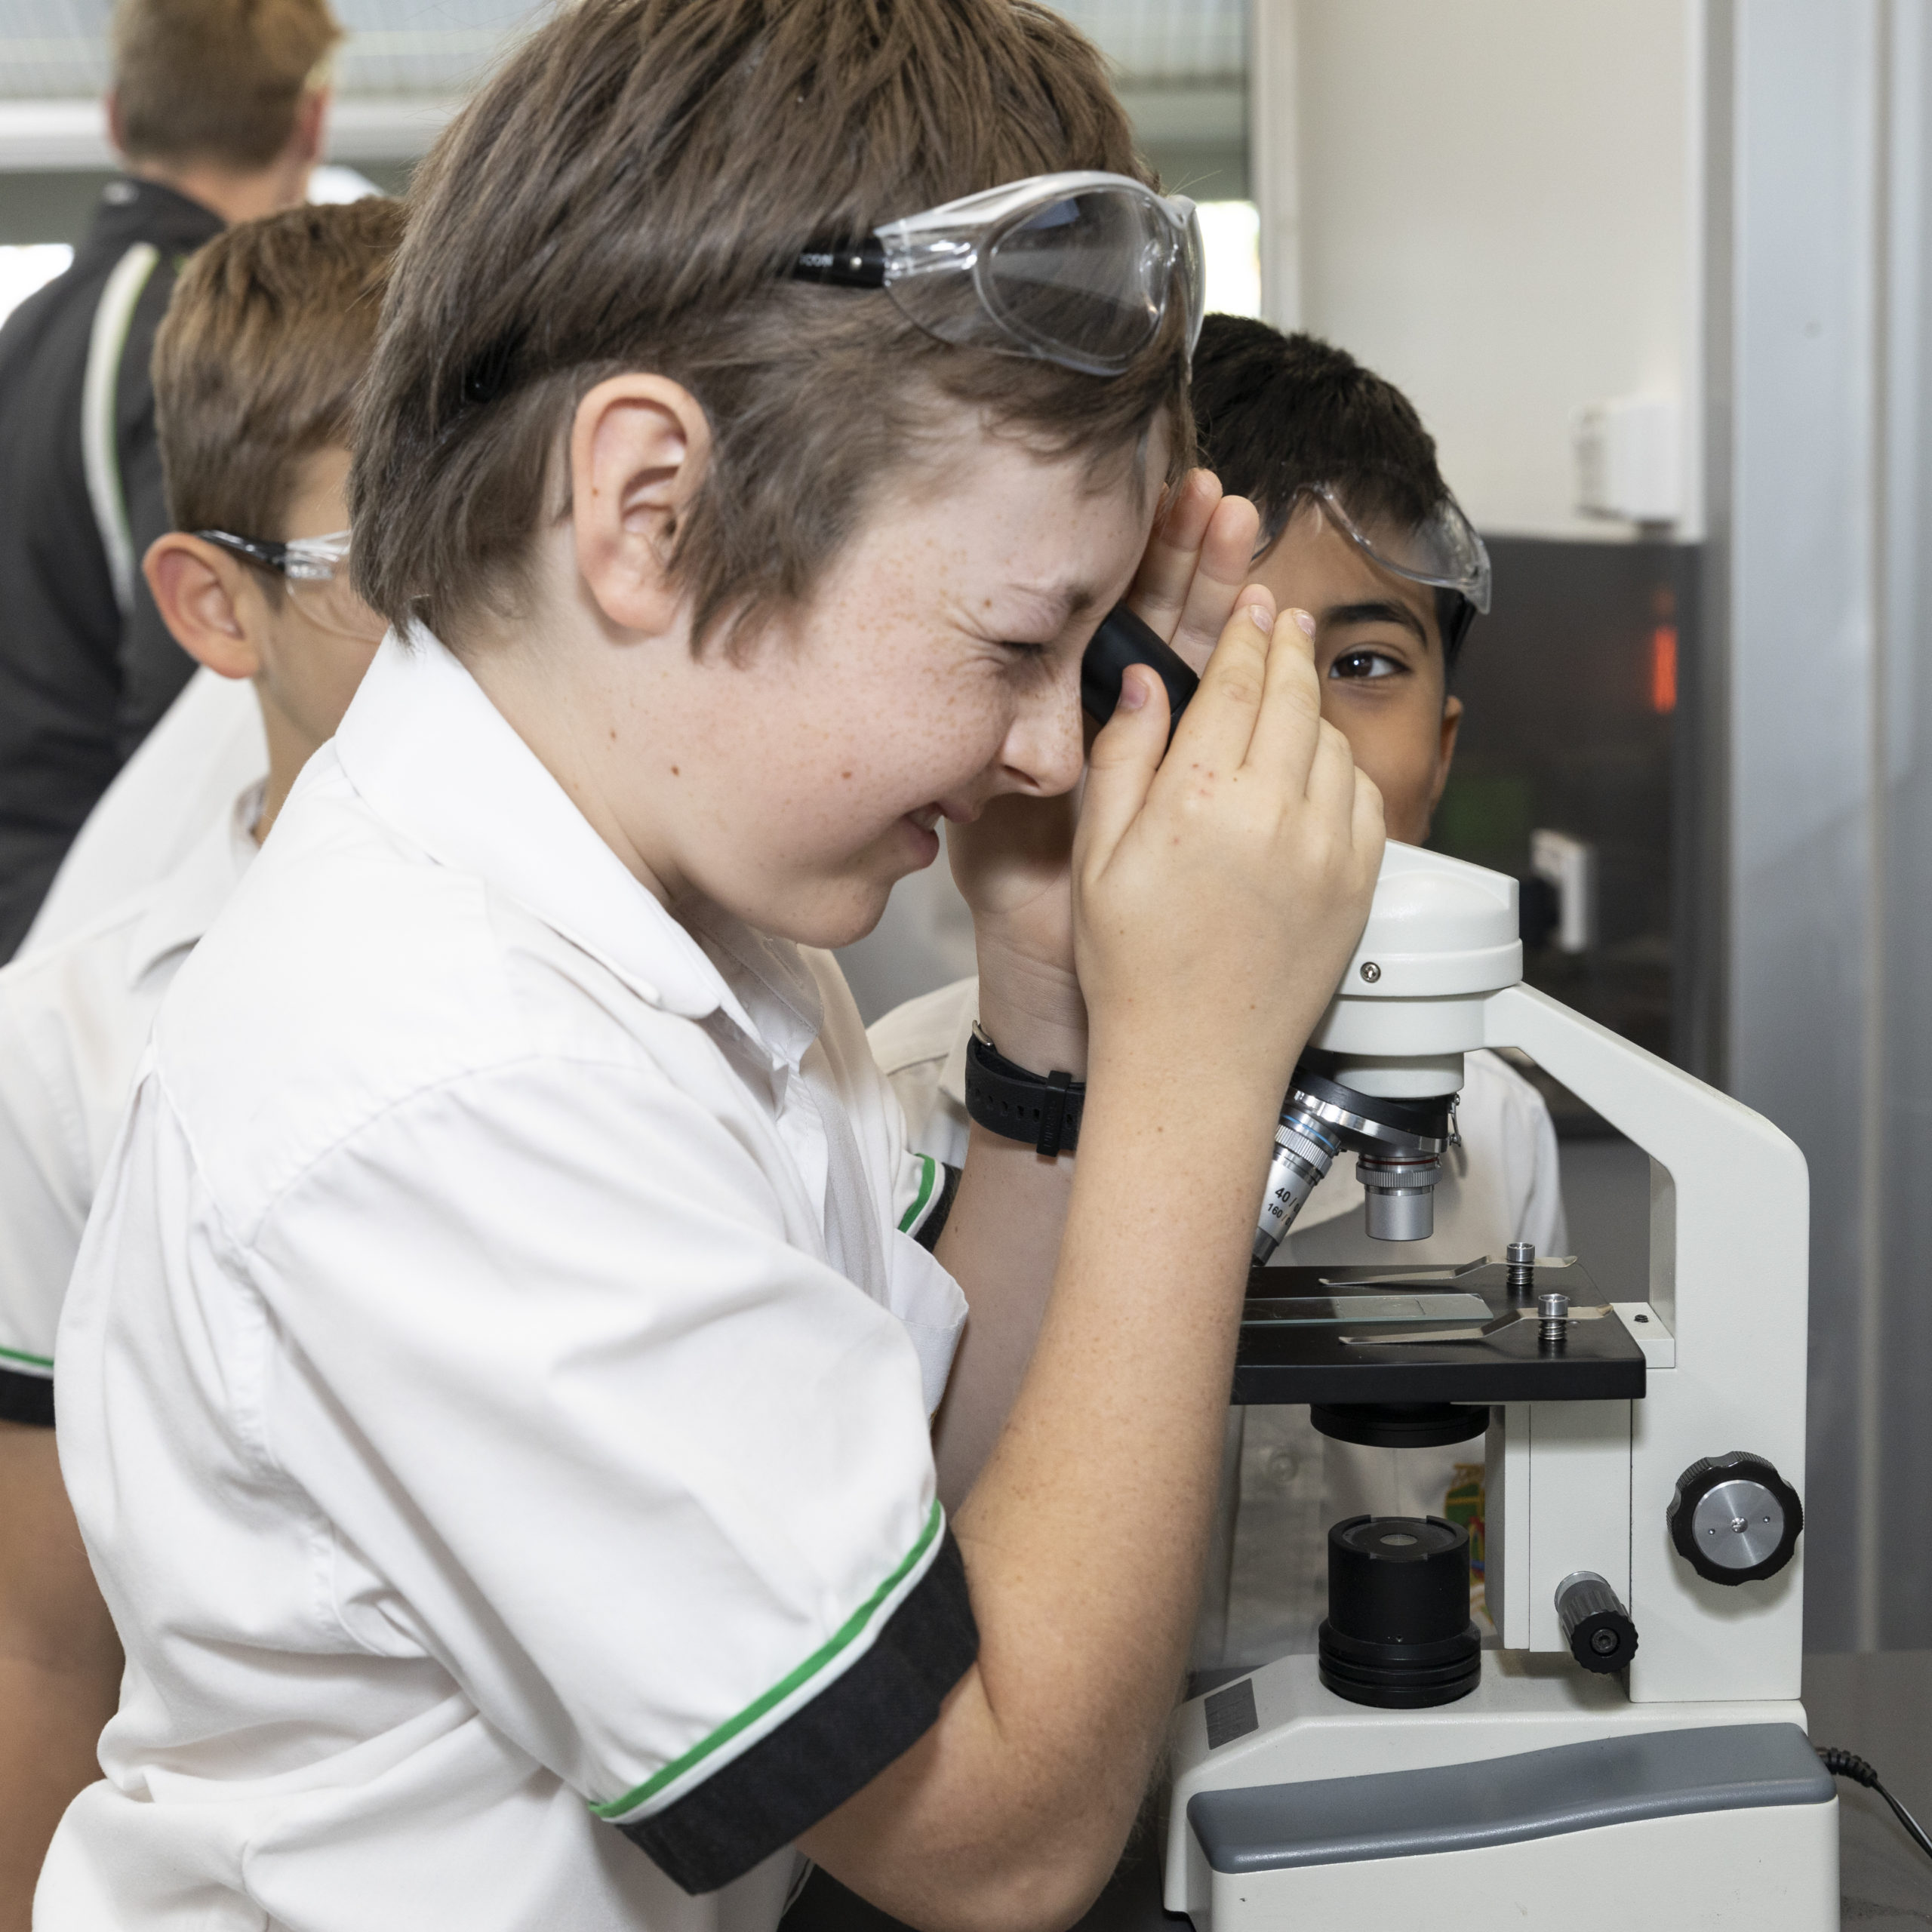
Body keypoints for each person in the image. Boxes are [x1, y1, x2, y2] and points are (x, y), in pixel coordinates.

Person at [39, 3, 1384, 1927]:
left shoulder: (672, 908)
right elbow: (987, 1829)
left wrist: (1051, 1020)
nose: (1049, 749)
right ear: (650, 510)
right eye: (1016, 642)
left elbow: (911, 1539)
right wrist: (1200, 1065)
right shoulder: (446, 1073)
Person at [869, 315, 1567, 1665]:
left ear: (1443, 752)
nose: (1283, 741)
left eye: (1361, 667)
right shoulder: (895, 1115)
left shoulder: (1496, 1134)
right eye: (1205, 669)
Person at [0, 198, 398, 1932]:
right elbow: (41, 1637)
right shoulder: (74, 1050)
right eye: (394, 558)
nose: (485, 622)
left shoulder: (723, 962)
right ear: (217, 605)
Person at [0, 0, 340, 962]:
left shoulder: (27, 331)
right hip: (112, 929)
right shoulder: (190, 336)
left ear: (116, 117)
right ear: (310, 122)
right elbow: (197, 693)